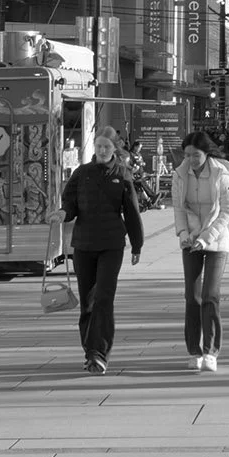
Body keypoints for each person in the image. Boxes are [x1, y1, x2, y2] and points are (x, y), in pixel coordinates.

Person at [61, 133, 144, 374]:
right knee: (87, 302)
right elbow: (70, 204)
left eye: (107, 146)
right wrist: (62, 214)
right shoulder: (82, 173)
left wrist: (137, 245)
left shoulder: (122, 174)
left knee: (104, 299)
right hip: (84, 245)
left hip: (111, 245)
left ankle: (100, 353)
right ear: (94, 148)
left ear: (114, 149)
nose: (103, 150)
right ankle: (90, 351)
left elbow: (131, 212)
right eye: (99, 146)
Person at [170, 132, 229, 372]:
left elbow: (227, 212)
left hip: (216, 240)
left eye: (195, 155)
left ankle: (210, 351)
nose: (190, 159)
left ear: (206, 153)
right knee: (192, 297)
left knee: (210, 295)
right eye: (186, 155)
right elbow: (178, 208)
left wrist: (207, 237)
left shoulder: (222, 176)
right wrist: (184, 234)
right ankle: (193, 351)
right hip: (190, 240)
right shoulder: (180, 175)